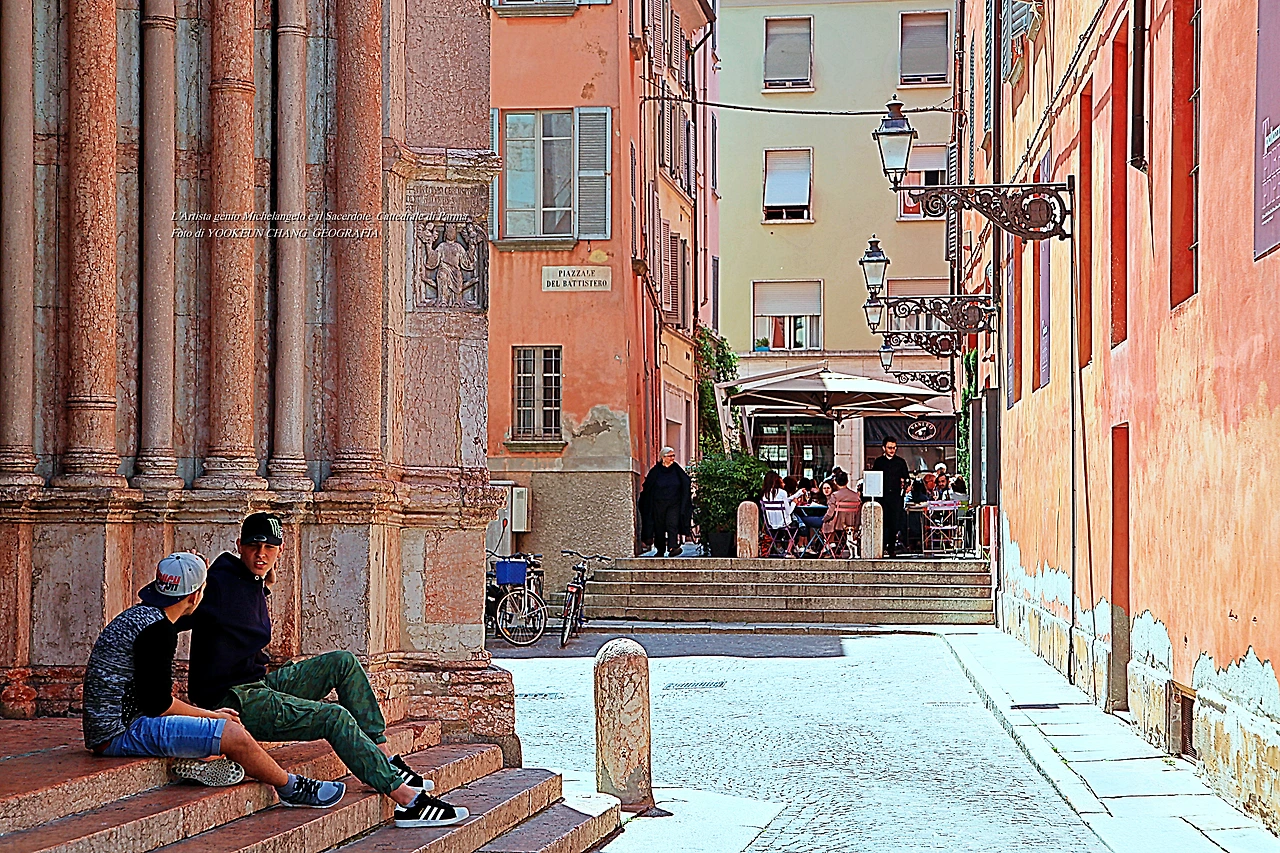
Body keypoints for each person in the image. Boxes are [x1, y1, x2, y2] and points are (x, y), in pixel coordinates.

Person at [184, 513, 467, 828]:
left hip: (258, 685)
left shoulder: (252, 579)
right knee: (334, 717)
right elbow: (171, 615)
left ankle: (383, 757)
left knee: (342, 662)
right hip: (234, 701)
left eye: (269, 547)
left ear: (280, 550)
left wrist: (264, 581)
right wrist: (185, 581)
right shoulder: (218, 583)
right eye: (253, 546)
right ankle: (408, 801)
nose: (261, 554)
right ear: (240, 546)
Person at [83, 552, 341, 807]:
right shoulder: (158, 632)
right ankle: (290, 787)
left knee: (217, 729)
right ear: (195, 596)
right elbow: (158, 704)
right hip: (119, 734)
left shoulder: (141, 616)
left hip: (113, 726)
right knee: (231, 732)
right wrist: (212, 716)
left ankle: (201, 760)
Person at [637, 446, 693, 557]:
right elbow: (648, 486)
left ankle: (673, 547)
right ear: (663, 457)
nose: (672, 458)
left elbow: (685, 481)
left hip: (674, 503)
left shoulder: (676, 469)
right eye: (670, 456)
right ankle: (660, 549)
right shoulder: (656, 471)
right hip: (658, 504)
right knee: (659, 527)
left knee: (672, 524)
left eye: (673, 456)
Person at [871, 436, 910, 557]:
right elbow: (874, 478)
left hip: (896, 497)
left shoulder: (900, 462)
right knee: (883, 522)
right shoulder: (879, 462)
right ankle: (882, 547)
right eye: (889, 448)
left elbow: (907, 478)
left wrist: (906, 486)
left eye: (894, 448)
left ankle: (892, 548)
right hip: (882, 497)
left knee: (894, 523)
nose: (892, 450)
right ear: (884, 448)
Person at [821, 470, 862, 555]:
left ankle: (829, 545)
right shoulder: (856, 496)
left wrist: (823, 519)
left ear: (835, 482)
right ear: (847, 481)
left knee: (824, 523)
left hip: (837, 524)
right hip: (852, 524)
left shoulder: (835, 495)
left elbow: (830, 514)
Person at [759, 470, 796, 550]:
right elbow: (789, 511)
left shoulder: (764, 494)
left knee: (779, 530)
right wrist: (794, 503)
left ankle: (779, 547)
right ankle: (789, 550)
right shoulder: (782, 492)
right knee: (798, 524)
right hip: (784, 523)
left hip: (771, 523)